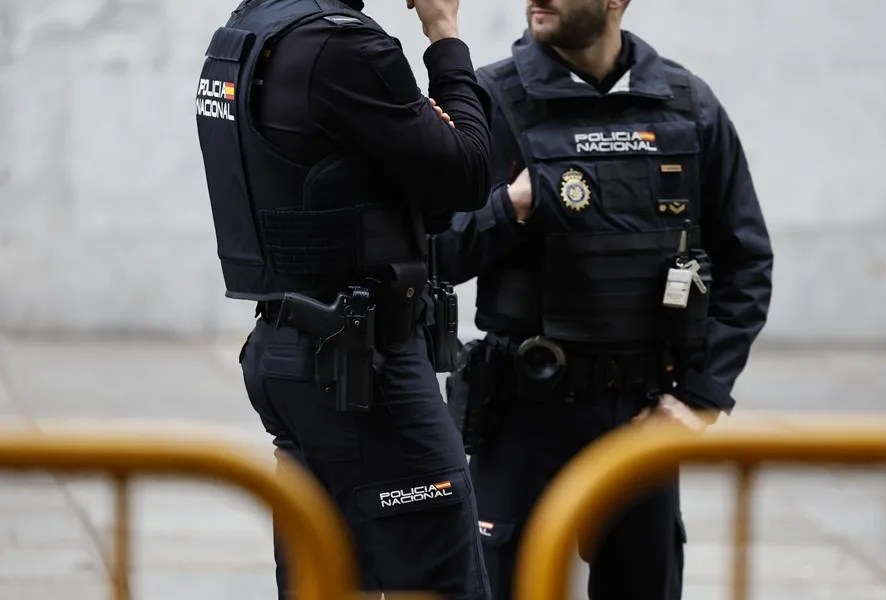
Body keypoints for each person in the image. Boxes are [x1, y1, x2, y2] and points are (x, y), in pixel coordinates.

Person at [436, 0, 774, 598]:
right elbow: (438, 253)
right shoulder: (489, 101)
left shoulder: (686, 104)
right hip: (522, 412)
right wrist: (510, 207)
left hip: (640, 416)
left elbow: (745, 262)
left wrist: (699, 396)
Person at [194, 0, 493, 598]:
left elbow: (378, 186)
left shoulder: (247, 32)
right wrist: (444, 32)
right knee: (442, 580)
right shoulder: (345, 48)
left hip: (292, 351)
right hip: (366, 367)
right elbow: (467, 172)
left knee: (324, 582)